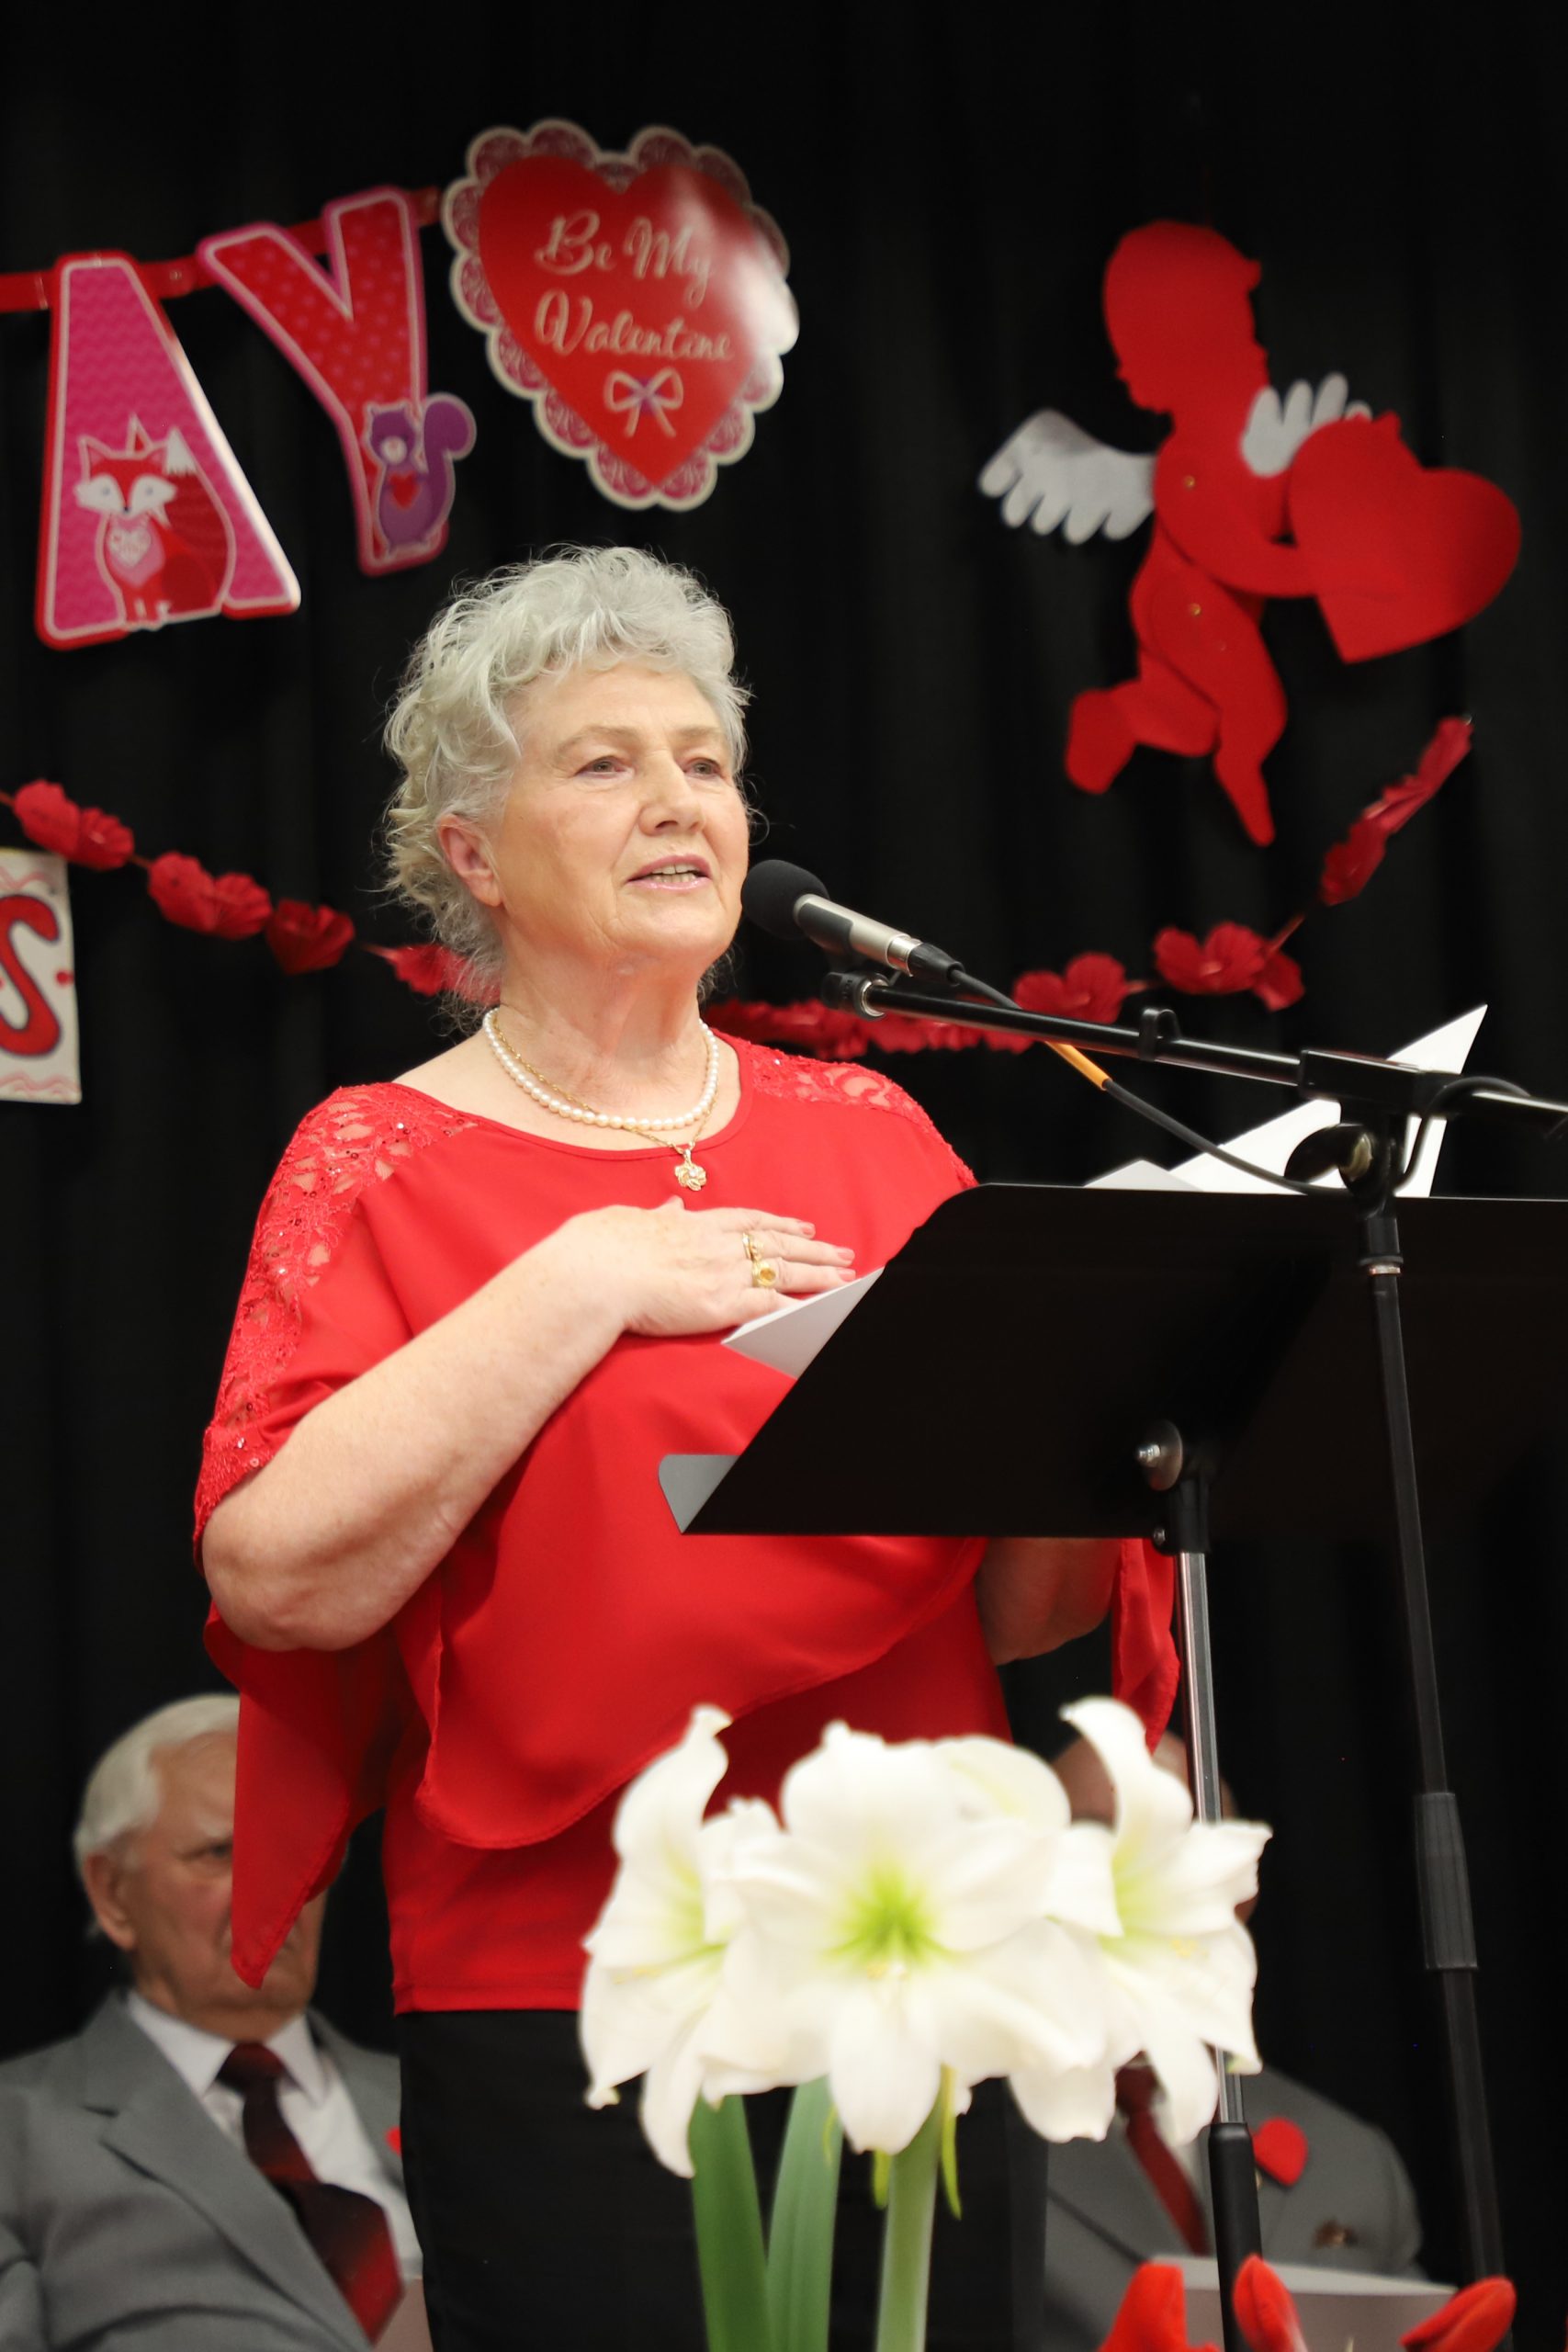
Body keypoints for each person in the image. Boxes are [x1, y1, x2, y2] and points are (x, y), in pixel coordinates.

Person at [195, 546, 1135, 2350]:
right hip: (576, 1974)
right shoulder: (376, 1157)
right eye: (603, 762)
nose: (677, 800)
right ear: (472, 855)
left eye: (704, 762)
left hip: (915, 1960)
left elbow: (1021, 1614)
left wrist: (1097, 1406)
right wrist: (587, 1279)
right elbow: (276, 1572)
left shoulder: (877, 1131)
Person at [0, 1696, 419, 2351]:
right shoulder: (17, 2129)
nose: (275, 1893)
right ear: (112, 1894)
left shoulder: (441, 2102)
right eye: (220, 1853)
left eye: (295, 1852)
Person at [1039, 1732, 1423, 2352]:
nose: (1123, 1882)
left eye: (1169, 1848)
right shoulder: (948, 2142)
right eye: (1088, 1841)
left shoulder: (1351, 2163)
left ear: (1239, 1893)